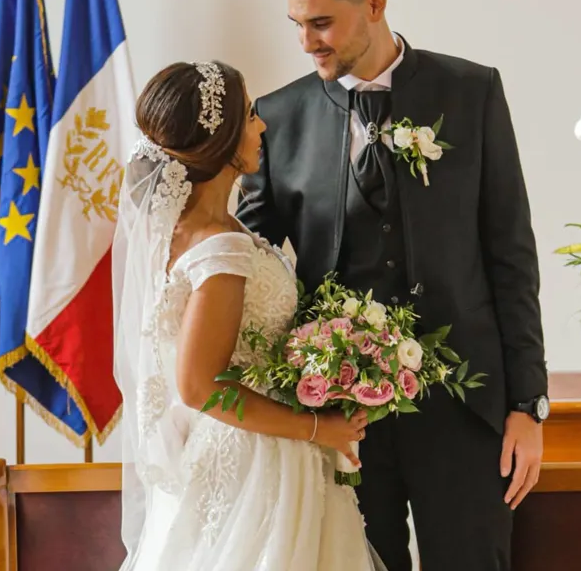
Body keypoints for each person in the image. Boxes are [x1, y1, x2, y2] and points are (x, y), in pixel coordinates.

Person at [236, 0, 550, 571]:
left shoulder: (472, 93)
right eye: (297, 25)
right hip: (340, 420)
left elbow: (512, 257)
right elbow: (249, 263)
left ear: (374, 2)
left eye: (321, 22)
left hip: (466, 411)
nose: (307, 42)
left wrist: (527, 406)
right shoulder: (279, 117)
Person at [112, 60, 387, 571]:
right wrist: (315, 428)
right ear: (219, 140)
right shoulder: (220, 248)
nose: (262, 126)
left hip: (252, 443)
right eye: (249, 116)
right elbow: (199, 386)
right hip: (258, 461)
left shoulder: (204, 230)